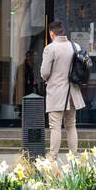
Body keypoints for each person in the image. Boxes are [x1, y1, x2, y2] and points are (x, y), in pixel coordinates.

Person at [40, 21, 85, 157]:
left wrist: (47, 79)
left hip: (56, 92)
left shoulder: (50, 48)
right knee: (71, 125)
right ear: (62, 32)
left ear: (52, 33)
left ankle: (52, 156)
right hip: (73, 91)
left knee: (55, 126)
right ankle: (73, 156)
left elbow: (45, 72)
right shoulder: (75, 46)